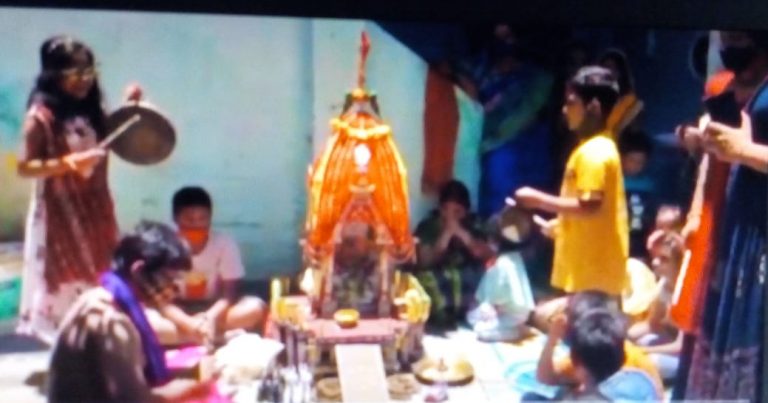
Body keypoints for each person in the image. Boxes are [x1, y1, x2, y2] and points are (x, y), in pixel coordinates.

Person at [16, 35, 142, 344]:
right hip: (60, 214)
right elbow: (25, 167)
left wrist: (132, 106)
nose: (85, 80)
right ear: (54, 76)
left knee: (102, 273)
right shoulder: (40, 118)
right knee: (66, 279)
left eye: (90, 71)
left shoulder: (92, 109)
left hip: (97, 209)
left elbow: (117, 137)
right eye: (76, 74)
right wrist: (70, 163)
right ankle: (70, 353)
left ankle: (101, 344)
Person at [684, 30, 768, 401]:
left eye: (737, 35)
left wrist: (745, 151)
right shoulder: (734, 85)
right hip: (738, 229)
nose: (728, 45)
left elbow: (743, 148)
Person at [48, 221, 216, 402]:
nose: (175, 290)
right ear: (139, 271)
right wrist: (189, 389)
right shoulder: (113, 322)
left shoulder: (97, 297)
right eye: (170, 279)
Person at [515, 66, 629, 302]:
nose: (565, 110)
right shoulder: (596, 147)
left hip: (593, 274)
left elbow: (589, 206)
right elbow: (595, 212)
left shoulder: (594, 153)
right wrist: (560, 226)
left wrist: (537, 199)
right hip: (593, 271)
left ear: (594, 107)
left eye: (571, 102)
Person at [147, 187, 265, 345]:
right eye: (189, 219)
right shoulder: (165, 247)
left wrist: (209, 317)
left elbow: (228, 295)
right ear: (176, 219)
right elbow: (162, 302)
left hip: (214, 310)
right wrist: (187, 323)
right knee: (148, 322)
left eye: (203, 218)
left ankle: (193, 336)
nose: (197, 225)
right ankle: (211, 337)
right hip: (176, 311)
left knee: (255, 308)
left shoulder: (224, 244)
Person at [534, 290, 664, 398]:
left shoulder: (588, 356)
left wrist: (551, 341)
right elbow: (546, 377)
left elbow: (545, 378)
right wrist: (552, 340)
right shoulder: (603, 350)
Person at [414, 179, 494, 326]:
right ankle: (441, 316)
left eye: (457, 211)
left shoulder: (475, 223)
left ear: (465, 211)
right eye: (446, 210)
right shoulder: (428, 225)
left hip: (469, 279)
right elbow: (425, 261)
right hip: (440, 278)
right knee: (424, 279)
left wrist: (462, 234)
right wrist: (446, 234)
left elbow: (488, 255)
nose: (451, 216)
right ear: (440, 209)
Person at [629, 232, 685, 382]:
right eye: (656, 257)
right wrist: (623, 337)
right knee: (642, 340)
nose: (655, 262)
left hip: (685, 356)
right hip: (668, 341)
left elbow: (680, 346)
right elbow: (651, 324)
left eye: (664, 259)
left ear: (679, 263)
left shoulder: (688, 292)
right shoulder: (664, 284)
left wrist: (641, 352)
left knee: (649, 360)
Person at [618, 130, 657, 262]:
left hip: (640, 240)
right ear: (622, 158)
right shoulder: (615, 183)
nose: (635, 166)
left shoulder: (648, 184)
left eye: (640, 162)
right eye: (632, 160)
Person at [329, 221, 382, 316]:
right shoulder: (330, 265)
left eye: (351, 244)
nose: (349, 250)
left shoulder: (376, 265)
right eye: (347, 243)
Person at [598, 48, 644, 137]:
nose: (607, 73)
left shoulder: (632, 104)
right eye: (604, 68)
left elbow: (634, 132)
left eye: (612, 68)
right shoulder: (592, 100)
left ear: (621, 72)